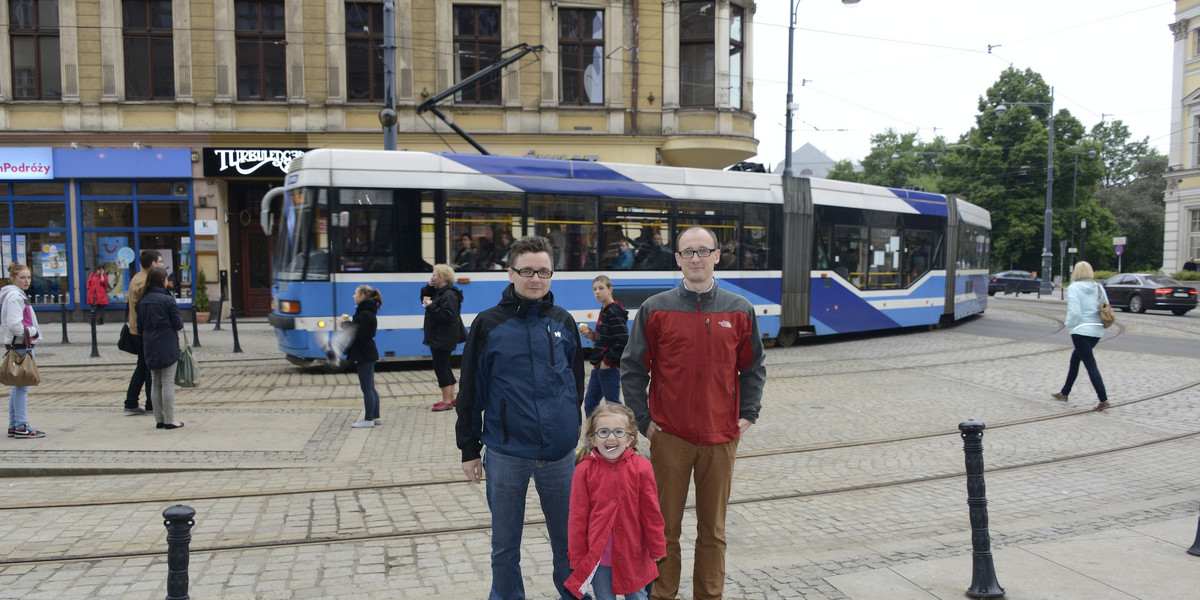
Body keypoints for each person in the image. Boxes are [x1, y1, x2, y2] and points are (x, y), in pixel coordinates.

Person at [621, 225, 766, 600]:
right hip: (670, 437)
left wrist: (747, 414)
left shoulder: (739, 309)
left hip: (721, 438)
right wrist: (644, 422)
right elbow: (633, 368)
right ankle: (662, 594)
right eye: (688, 252)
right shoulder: (656, 309)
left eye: (703, 251)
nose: (696, 258)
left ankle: (709, 595)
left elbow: (753, 367)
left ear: (717, 255)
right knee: (663, 528)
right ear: (678, 260)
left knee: (713, 531)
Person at [455, 234, 585, 600]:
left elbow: (575, 382)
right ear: (510, 274)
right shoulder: (488, 324)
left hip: (559, 455)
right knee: (505, 546)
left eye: (543, 271)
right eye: (527, 270)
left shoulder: (563, 321)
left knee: (569, 542)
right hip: (507, 453)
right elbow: (470, 392)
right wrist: (468, 448)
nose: (535, 279)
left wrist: (573, 429)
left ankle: (573, 594)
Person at [566, 402, 667, 600]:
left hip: (634, 553)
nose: (611, 437)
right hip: (599, 557)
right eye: (603, 432)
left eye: (618, 432)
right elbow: (577, 518)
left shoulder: (642, 468)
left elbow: (652, 512)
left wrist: (657, 546)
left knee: (637, 596)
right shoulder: (583, 471)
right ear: (593, 440)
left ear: (630, 439)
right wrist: (578, 556)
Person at [1051, 261, 1110, 411]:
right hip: (1096, 331)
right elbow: (1106, 306)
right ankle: (1064, 392)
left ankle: (1103, 399)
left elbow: (1075, 311)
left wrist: (1069, 325)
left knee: (1090, 364)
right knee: (1075, 359)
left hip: (1080, 331)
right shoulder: (1098, 287)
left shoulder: (1074, 288)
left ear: (1076, 273)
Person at [136, 267, 185, 430]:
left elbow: (139, 326)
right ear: (162, 281)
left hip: (149, 344)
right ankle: (170, 420)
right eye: (166, 279)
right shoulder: (168, 300)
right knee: (168, 383)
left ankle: (159, 419)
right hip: (167, 344)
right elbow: (178, 324)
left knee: (155, 383)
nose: (167, 282)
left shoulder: (143, 300)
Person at [3, 264, 44, 438]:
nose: (26, 281)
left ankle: (15, 425)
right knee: (22, 387)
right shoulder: (14, 297)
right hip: (21, 345)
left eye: (28, 277)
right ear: (13, 279)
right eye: (22, 277)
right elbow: (14, 325)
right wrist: (32, 332)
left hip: (20, 344)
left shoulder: (17, 295)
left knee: (18, 386)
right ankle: (20, 426)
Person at [581, 275, 628, 416]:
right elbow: (608, 339)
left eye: (601, 288)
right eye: (594, 289)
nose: (597, 292)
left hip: (608, 366)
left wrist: (607, 362)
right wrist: (592, 336)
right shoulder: (605, 310)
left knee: (613, 405)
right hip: (598, 366)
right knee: (590, 405)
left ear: (610, 290)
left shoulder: (613, 311)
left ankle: (628, 430)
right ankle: (594, 435)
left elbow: (623, 339)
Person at [422, 264, 466, 412]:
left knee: (440, 368)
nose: (432, 277)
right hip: (440, 336)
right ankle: (451, 399)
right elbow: (423, 296)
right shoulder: (441, 292)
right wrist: (429, 287)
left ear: (441, 277)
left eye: (434, 275)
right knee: (445, 366)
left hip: (443, 337)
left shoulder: (449, 295)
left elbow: (448, 315)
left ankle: (447, 401)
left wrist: (431, 307)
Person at [124, 250, 162, 416]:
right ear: (153, 264)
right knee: (148, 368)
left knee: (143, 366)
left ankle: (132, 401)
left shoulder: (138, 277)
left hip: (139, 329)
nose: (162, 265)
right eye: (160, 262)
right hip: (142, 331)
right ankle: (149, 404)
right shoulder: (145, 281)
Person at [341, 285, 382, 428]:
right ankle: (376, 417)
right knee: (370, 387)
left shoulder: (364, 313)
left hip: (364, 353)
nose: (353, 296)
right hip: (368, 352)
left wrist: (345, 324)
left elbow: (359, 334)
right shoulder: (367, 311)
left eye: (355, 293)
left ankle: (368, 419)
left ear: (362, 295)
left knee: (367, 388)